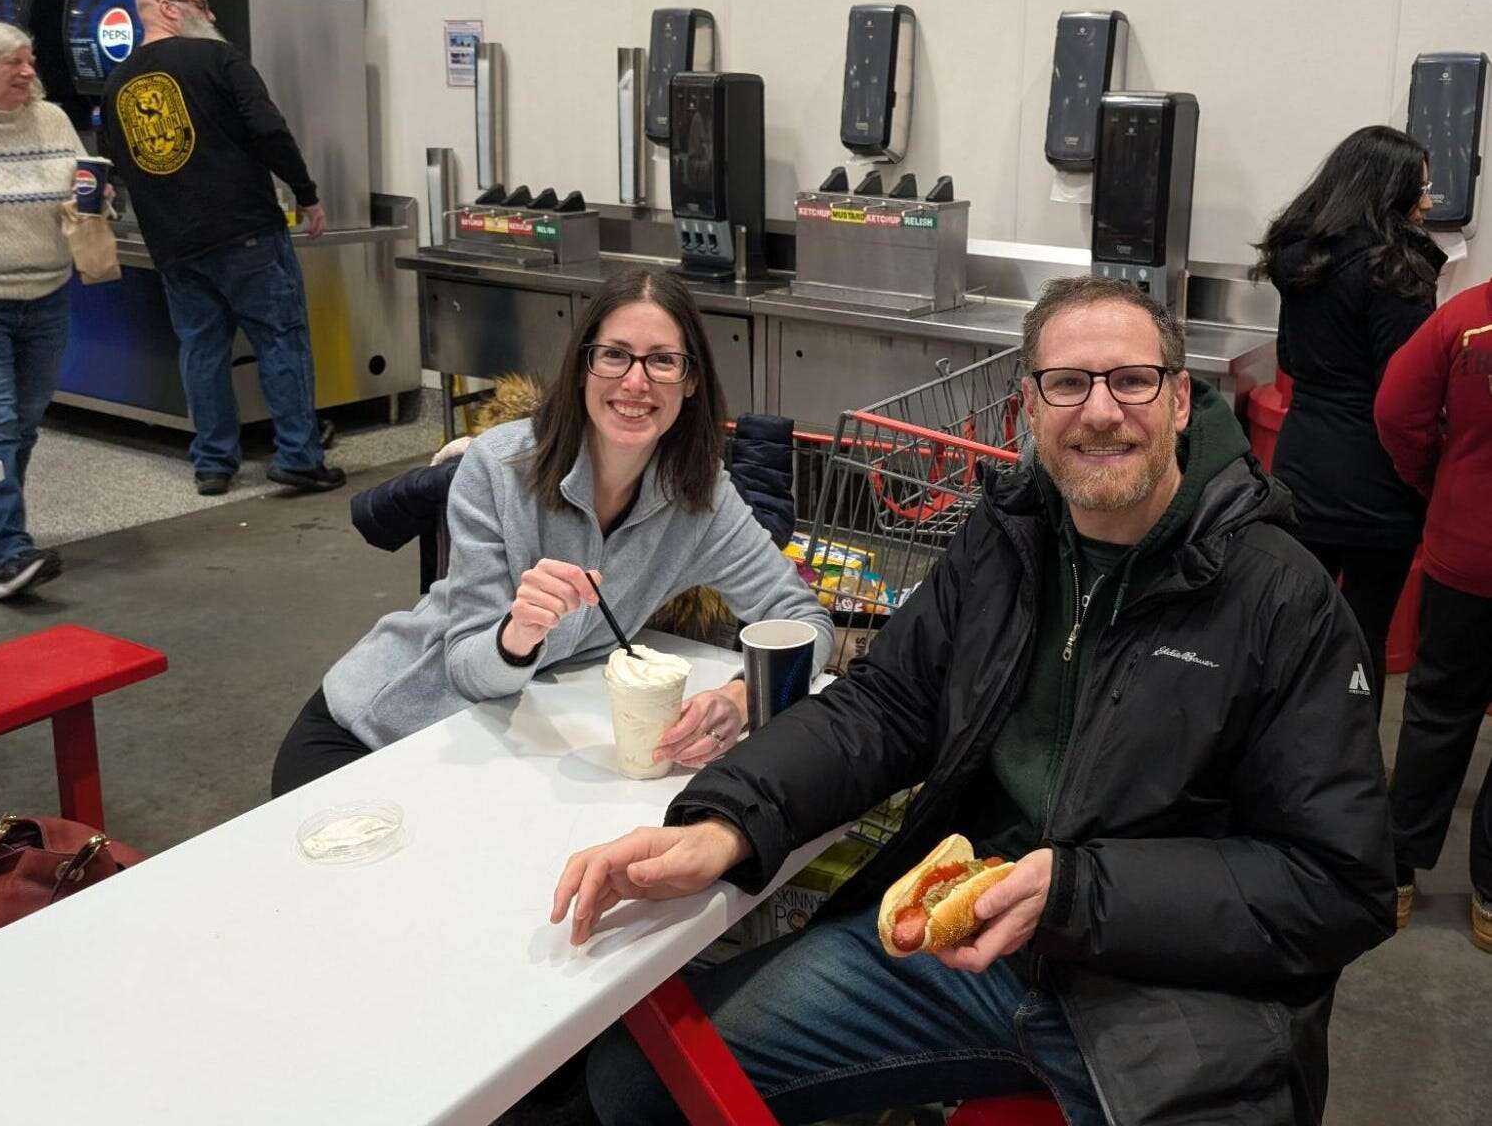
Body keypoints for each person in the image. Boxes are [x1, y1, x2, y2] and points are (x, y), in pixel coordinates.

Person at [551, 277, 1396, 1126]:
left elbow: (1335, 883)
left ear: (1180, 400)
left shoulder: (1280, 598)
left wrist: (1076, 892)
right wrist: (726, 820)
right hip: (963, 956)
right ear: (1027, 408)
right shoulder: (1005, 542)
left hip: (1169, 1003)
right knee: (638, 1076)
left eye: (1130, 380)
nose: (1100, 411)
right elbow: (882, 705)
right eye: (1067, 383)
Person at [271, 268, 833, 795]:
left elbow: (805, 621)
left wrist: (742, 696)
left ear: (691, 382)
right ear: (583, 367)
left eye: (662, 361)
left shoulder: (699, 496)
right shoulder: (499, 466)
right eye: (614, 356)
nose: (636, 383)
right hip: (377, 730)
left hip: (505, 746)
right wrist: (519, 632)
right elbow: (467, 666)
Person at [98, 0, 343, 497]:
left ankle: (213, 464)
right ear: (168, 7)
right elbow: (268, 128)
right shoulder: (218, 58)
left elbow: (116, 165)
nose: (211, 16)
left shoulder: (117, 83)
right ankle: (299, 456)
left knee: (202, 349)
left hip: (174, 244)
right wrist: (307, 194)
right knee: (281, 339)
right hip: (245, 230)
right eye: (203, 5)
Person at [1249, 124, 1443, 702]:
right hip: (1374, 479)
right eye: (1422, 190)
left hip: (1301, 460)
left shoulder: (1300, 257)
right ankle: (1347, 767)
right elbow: (1402, 395)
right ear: (1390, 191)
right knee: (1362, 639)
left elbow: (1290, 357)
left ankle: (1275, 763)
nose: (1429, 203)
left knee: (1288, 629)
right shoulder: (1397, 269)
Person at [1374, 276, 1492, 951]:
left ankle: (1393, 876)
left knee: (1436, 711)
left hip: (1464, 549)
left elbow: (1395, 411)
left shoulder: (1464, 320)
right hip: (1463, 548)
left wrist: (1432, 478)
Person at [0, 22, 86, 601]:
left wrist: (96, 195)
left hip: (48, 296)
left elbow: (81, 184)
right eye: (12, 64)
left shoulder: (54, 120)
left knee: (22, 424)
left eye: (30, 60)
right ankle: (9, 552)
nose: (27, 72)